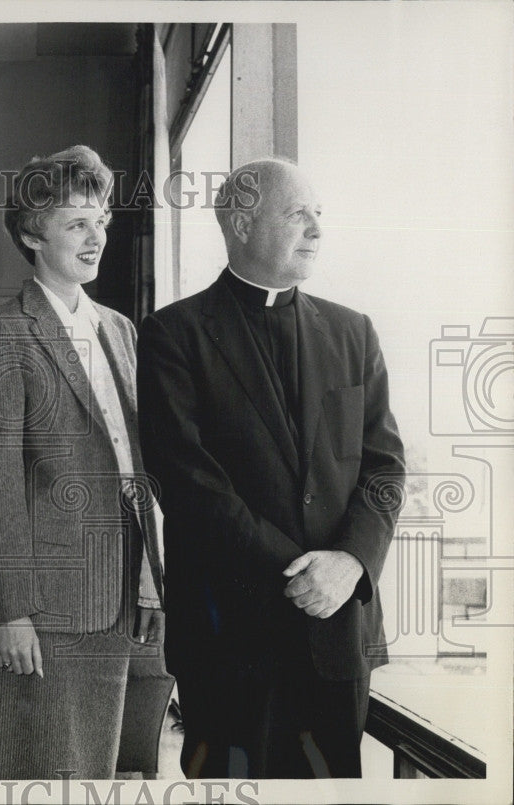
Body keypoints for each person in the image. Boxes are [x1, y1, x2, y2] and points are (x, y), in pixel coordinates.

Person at [136, 158, 405, 778]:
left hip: (337, 635)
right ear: (240, 221)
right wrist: (298, 571)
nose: (316, 227)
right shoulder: (172, 334)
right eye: (297, 213)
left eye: (319, 215)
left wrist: (350, 563)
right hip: (229, 638)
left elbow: (385, 467)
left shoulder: (353, 332)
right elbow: (187, 481)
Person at [0, 145, 165, 780]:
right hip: (43, 604)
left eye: (102, 222)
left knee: (92, 772)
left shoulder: (119, 328)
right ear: (31, 233)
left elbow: (134, 464)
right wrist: (10, 609)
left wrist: (152, 577)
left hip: (117, 595)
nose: (97, 237)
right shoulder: (3, 331)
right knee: (36, 770)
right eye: (78, 224)